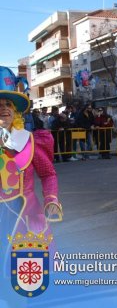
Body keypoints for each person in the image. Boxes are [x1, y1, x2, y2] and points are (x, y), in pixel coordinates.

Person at [0, 66, 62, 281]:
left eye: (8, 104)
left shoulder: (29, 140)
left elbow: (48, 174)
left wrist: (51, 198)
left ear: (16, 111)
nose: (3, 109)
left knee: (27, 278)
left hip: (26, 216)